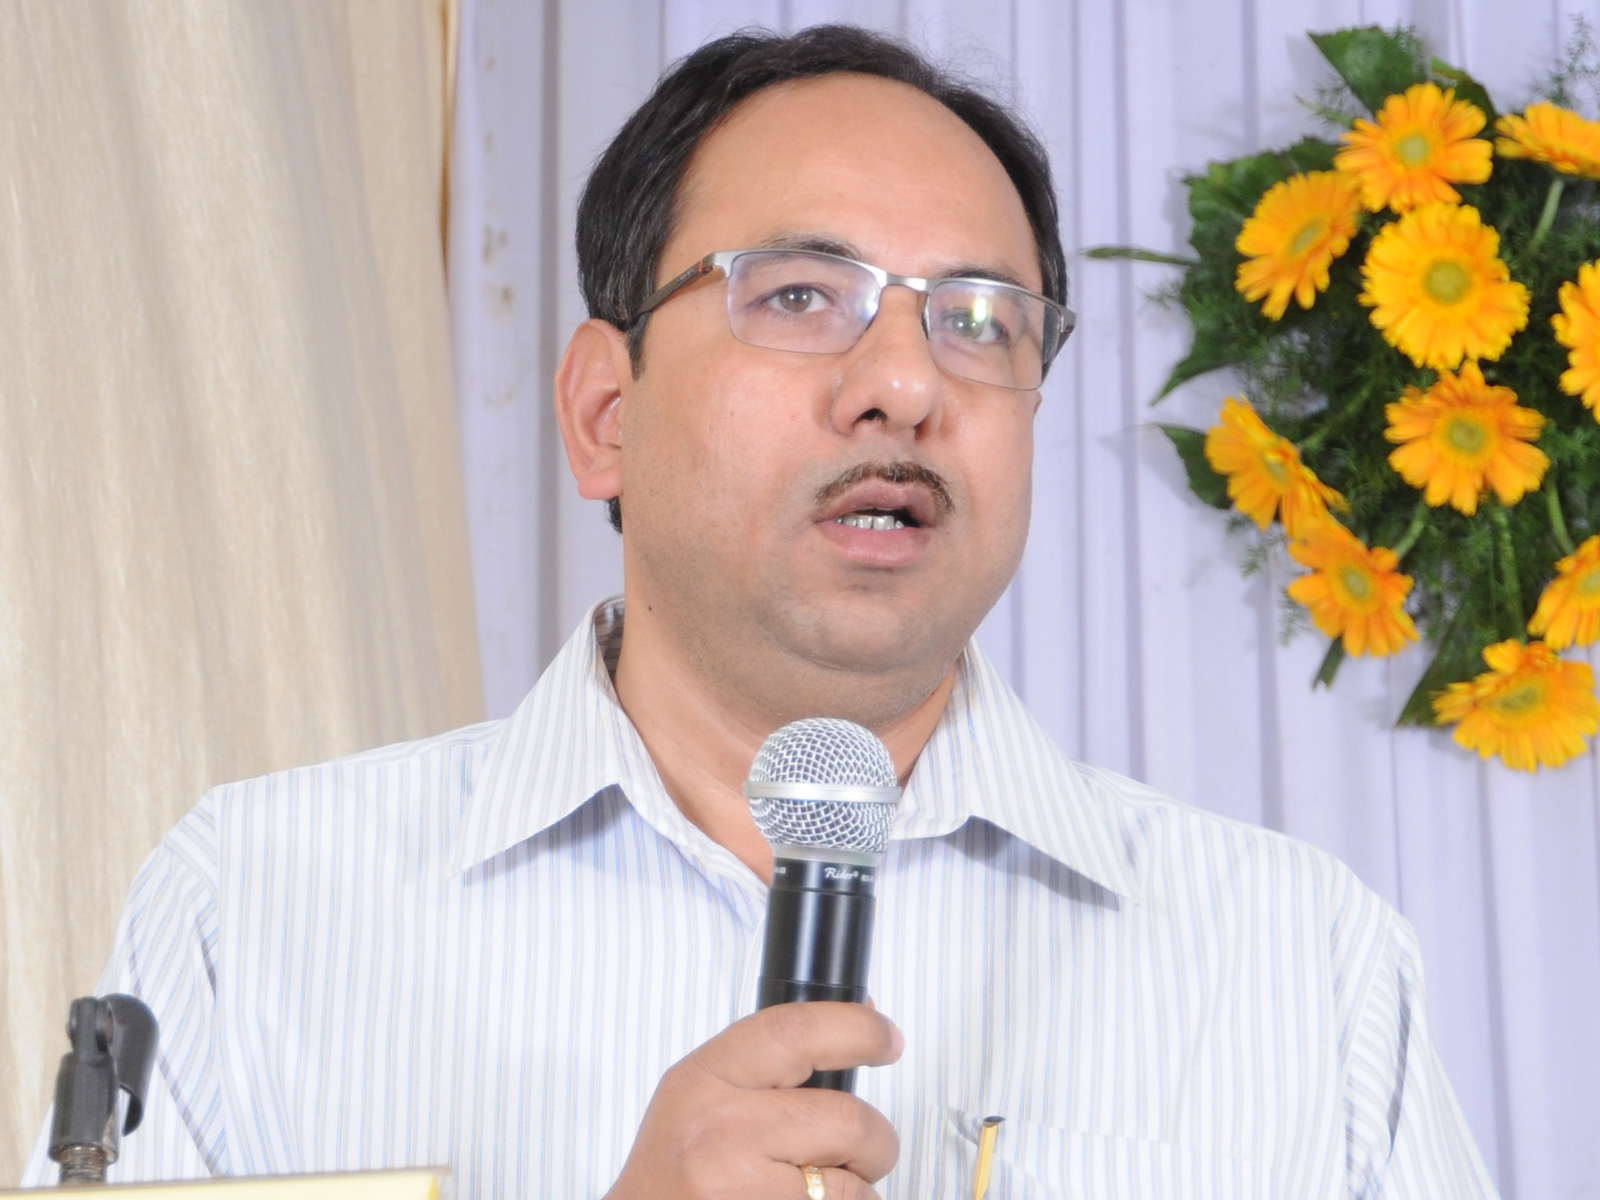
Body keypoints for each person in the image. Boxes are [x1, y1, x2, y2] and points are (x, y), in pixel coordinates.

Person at [25, 24, 1496, 1200]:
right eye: (800, 295)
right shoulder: (256, 909)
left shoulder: (1301, 964)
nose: (907, 382)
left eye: (983, 320)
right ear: (605, 411)